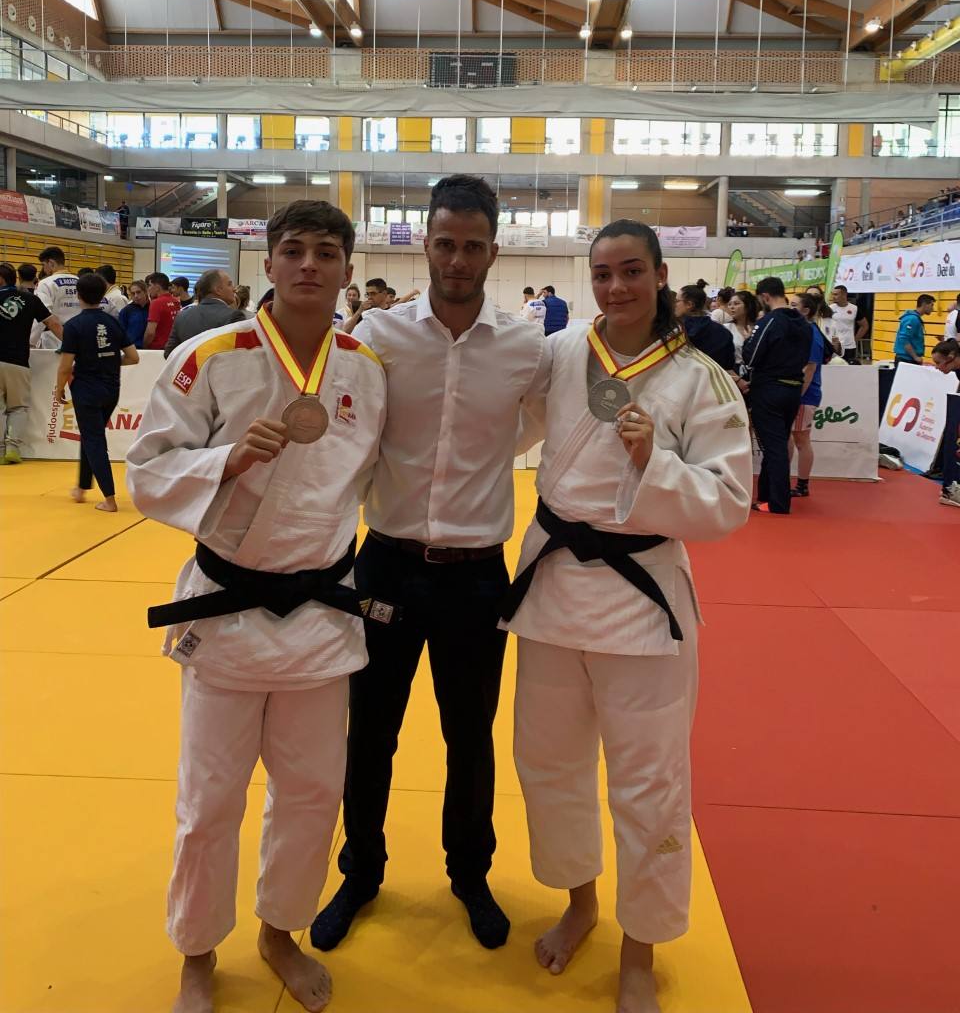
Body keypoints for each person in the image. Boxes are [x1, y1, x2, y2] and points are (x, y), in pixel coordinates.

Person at [126, 200, 387, 1013]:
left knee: (312, 794)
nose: (310, 265)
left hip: (318, 615)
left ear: (347, 269)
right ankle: (197, 950)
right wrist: (226, 461)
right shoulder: (213, 357)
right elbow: (148, 469)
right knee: (210, 800)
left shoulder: (367, 371)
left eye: (326, 253)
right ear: (267, 264)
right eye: (294, 250)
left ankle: (280, 931)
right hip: (228, 609)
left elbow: (380, 478)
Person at [501, 219, 751, 1013]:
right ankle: (580, 902)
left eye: (631, 272)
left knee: (649, 783)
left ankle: (640, 946)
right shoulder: (563, 352)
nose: (616, 288)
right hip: (550, 589)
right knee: (548, 765)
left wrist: (657, 464)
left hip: (642, 598)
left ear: (662, 276)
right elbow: (506, 426)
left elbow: (730, 501)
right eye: (603, 273)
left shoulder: (702, 379)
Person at [311, 175, 550, 954]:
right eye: (445, 243)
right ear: (425, 243)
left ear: (494, 248)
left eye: (473, 245)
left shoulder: (524, 346)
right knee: (369, 731)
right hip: (384, 564)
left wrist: (471, 481)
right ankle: (361, 870)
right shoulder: (378, 334)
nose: (458, 258)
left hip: (478, 573)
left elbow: (535, 431)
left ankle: (469, 873)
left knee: (469, 735)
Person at [56, 271, 139, 512]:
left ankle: (110, 499)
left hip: (86, 390)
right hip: (111, 390)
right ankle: (82, 487)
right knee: (91, 435)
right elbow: (133, 358)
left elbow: (64, 367)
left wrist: (59, 388)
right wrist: (109, 362)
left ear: (79, 295)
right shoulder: (113, 322)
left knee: (94, 440)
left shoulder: (74, 326)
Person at [741, 277, 810, 515]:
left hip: (769, 388)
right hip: (793, 389)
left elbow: (751, 355)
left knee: (774, 447)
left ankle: (778, 502)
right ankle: (767, 496)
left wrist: (750, 339)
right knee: (778, 443)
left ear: (765, 297)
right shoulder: (803, 322)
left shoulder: (770, 321)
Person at [0, 260, 63, 465]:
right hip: (18, 360)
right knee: (18, 407)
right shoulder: (31, 299)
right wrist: (72, 345)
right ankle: (12, 447)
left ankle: (0, 450)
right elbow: (52, 323)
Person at [788, 293, 828, 499]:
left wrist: (798, 395)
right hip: (795, 392)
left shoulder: (811, 333)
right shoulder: (800, 330)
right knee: (790, 438)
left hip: (805, 394)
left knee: (801, 439)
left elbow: (810, 368)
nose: (789, 307)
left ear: (806, 310)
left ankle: (803, 485)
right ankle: (782, 478)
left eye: (794, 305)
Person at [163, 269, 247, 358]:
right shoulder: (234, 316)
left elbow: (169, 354)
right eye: (229, 284)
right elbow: (240, 356)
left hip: (188, 371)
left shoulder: (182, 316)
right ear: (218, 290)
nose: (234, 289)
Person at [674, 285, 736, 371]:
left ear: (689, 304)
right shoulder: (724, 333)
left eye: (677, 301)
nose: (674, 304)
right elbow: (728, 366)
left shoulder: (676, 332)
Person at [931, 339, 960, 508]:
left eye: (938, 363)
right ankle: (952, 489)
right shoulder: (957, 370)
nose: (936, 367)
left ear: (951, 357)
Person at [34, 246, 80, 348]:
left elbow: (42, 316)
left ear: (51, 263)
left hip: (53, 338)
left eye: (44, 265)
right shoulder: (80, 281)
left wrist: (31, 341)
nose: (44, 269)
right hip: (80, 335)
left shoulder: (45, 283)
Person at [894, 294, 936, 366]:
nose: (933, 309)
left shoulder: (914, 318)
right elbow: (904, 339)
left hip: (909, 359)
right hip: (906, 360)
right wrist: (915, 357)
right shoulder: (912, 319)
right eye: (931, 305)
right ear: (924, 304)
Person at [143, 273, 181, 352]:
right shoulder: (176, 301)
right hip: (173, 348)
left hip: (157, 349)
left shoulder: (156, 303)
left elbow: (150, 332)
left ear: (157, 287)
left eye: (149, 285)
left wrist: (144, 346)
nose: (148, 289)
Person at [829, 285, 867, 363]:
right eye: (833, 294)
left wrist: (855, 339)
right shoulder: (830, 308)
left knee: (848, 369)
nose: (833, 296)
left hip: (849, 346)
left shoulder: (854, 309)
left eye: (836, 294)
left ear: (844, 295)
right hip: (834, 346)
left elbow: (864, 326)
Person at [724, 290, 760, 362]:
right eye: (729, 304)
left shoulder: (759, 327)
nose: (732, 307)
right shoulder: (726, 328)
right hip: (733, 369)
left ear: (748, 306)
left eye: (736, 304)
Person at [119, 281, 150, 349]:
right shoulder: (126, 311)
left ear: (145, 292)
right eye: (133, 293)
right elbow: (121, 333)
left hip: (152, 348)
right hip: (133, 348)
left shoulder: (153, 308)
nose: (136, 296)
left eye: (138, 292)